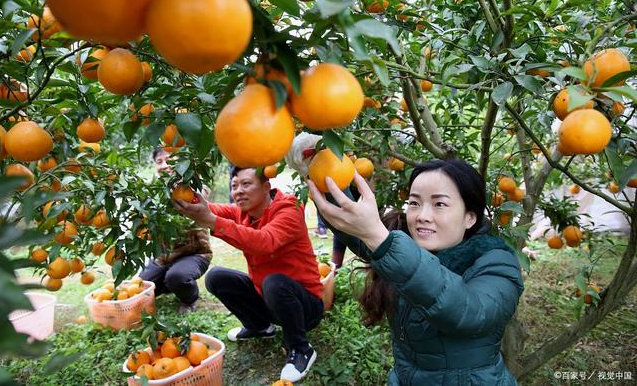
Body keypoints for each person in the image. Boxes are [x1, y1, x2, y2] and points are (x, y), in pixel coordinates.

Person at [308, 159, 524, 385]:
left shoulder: (497, 263)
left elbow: (469, 312)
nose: (422, 215)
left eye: (439, 204)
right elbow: (354, 227)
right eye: (414, 203)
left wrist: (379, 238)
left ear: (470, 217)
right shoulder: (408, 247)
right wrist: (321, 167)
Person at [173, 166, 323, 382]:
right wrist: (189, 200)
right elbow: (212, 210)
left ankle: (301, 348)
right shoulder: (242, 212)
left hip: (304, 306)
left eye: (246, 184)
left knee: (274, 282)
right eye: (234, 186)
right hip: (268, 299)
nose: (238, 191)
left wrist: (213, 222)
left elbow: (265, 241)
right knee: (217, 277)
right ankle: (260, 326)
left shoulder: (290, 208)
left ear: (266, 186)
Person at [139, 147, 212, 315]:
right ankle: (168, 283)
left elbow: (201, 195)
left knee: (177, 277)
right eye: (159, 162)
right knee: (142, 287)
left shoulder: (192, 185)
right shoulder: (153, 191)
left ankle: (189, 297)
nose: (164, 165)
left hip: (194, 255)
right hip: (164, 258)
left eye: (169, 160)